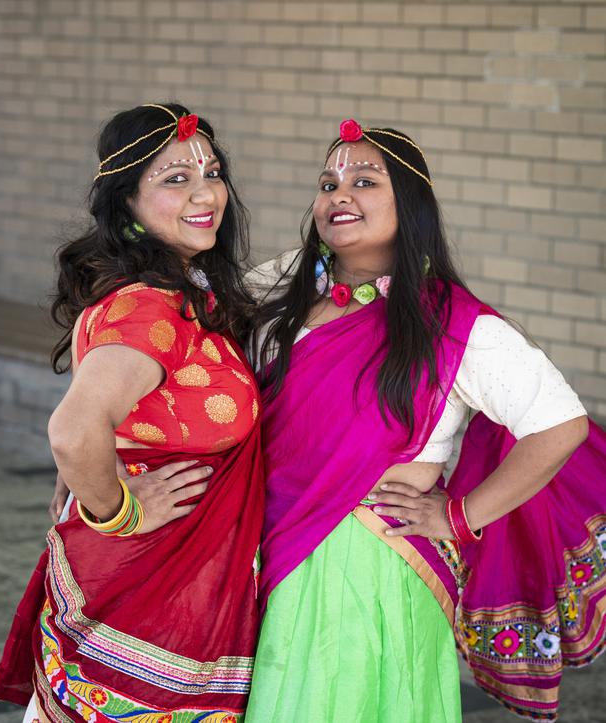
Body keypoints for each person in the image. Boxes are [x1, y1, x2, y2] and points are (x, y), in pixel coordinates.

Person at [243, 119, 606, 722]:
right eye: (328, 182)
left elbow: (560, 424)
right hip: (263, 542)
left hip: (368, 565)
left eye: (364, 181)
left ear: (409, 205)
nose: (339, 195)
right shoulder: (279, 283)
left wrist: (460, 516)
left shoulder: (455, 324)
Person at [0, 103, 264, 723]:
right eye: (175, 178)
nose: (206, 194)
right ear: (125, 203)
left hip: (178, 585)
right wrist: (120, 513)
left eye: (212, 172)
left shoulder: (190, 292)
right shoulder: (148, 311)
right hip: (146, 584)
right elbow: (72, 430)